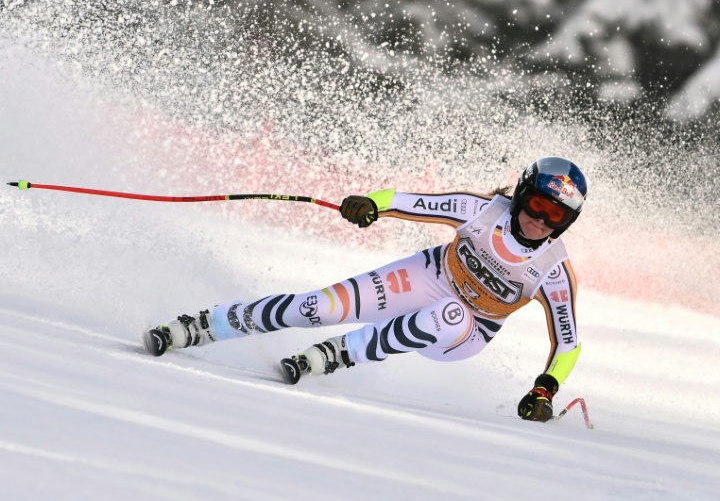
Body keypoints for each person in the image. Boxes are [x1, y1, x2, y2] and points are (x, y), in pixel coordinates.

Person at [143, 156, 587, 422]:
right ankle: (202, 326)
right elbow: (405, 201)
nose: (541, 220)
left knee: (449, 315)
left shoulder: (552, 269)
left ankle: (335, 355)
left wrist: (544, 389)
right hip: (430, 275)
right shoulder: (480, 209)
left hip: (468, 331)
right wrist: (370, 204)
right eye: (536, 205)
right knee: (317, 306)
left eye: (556, 217)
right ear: (523, 193)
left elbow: (568, 344)